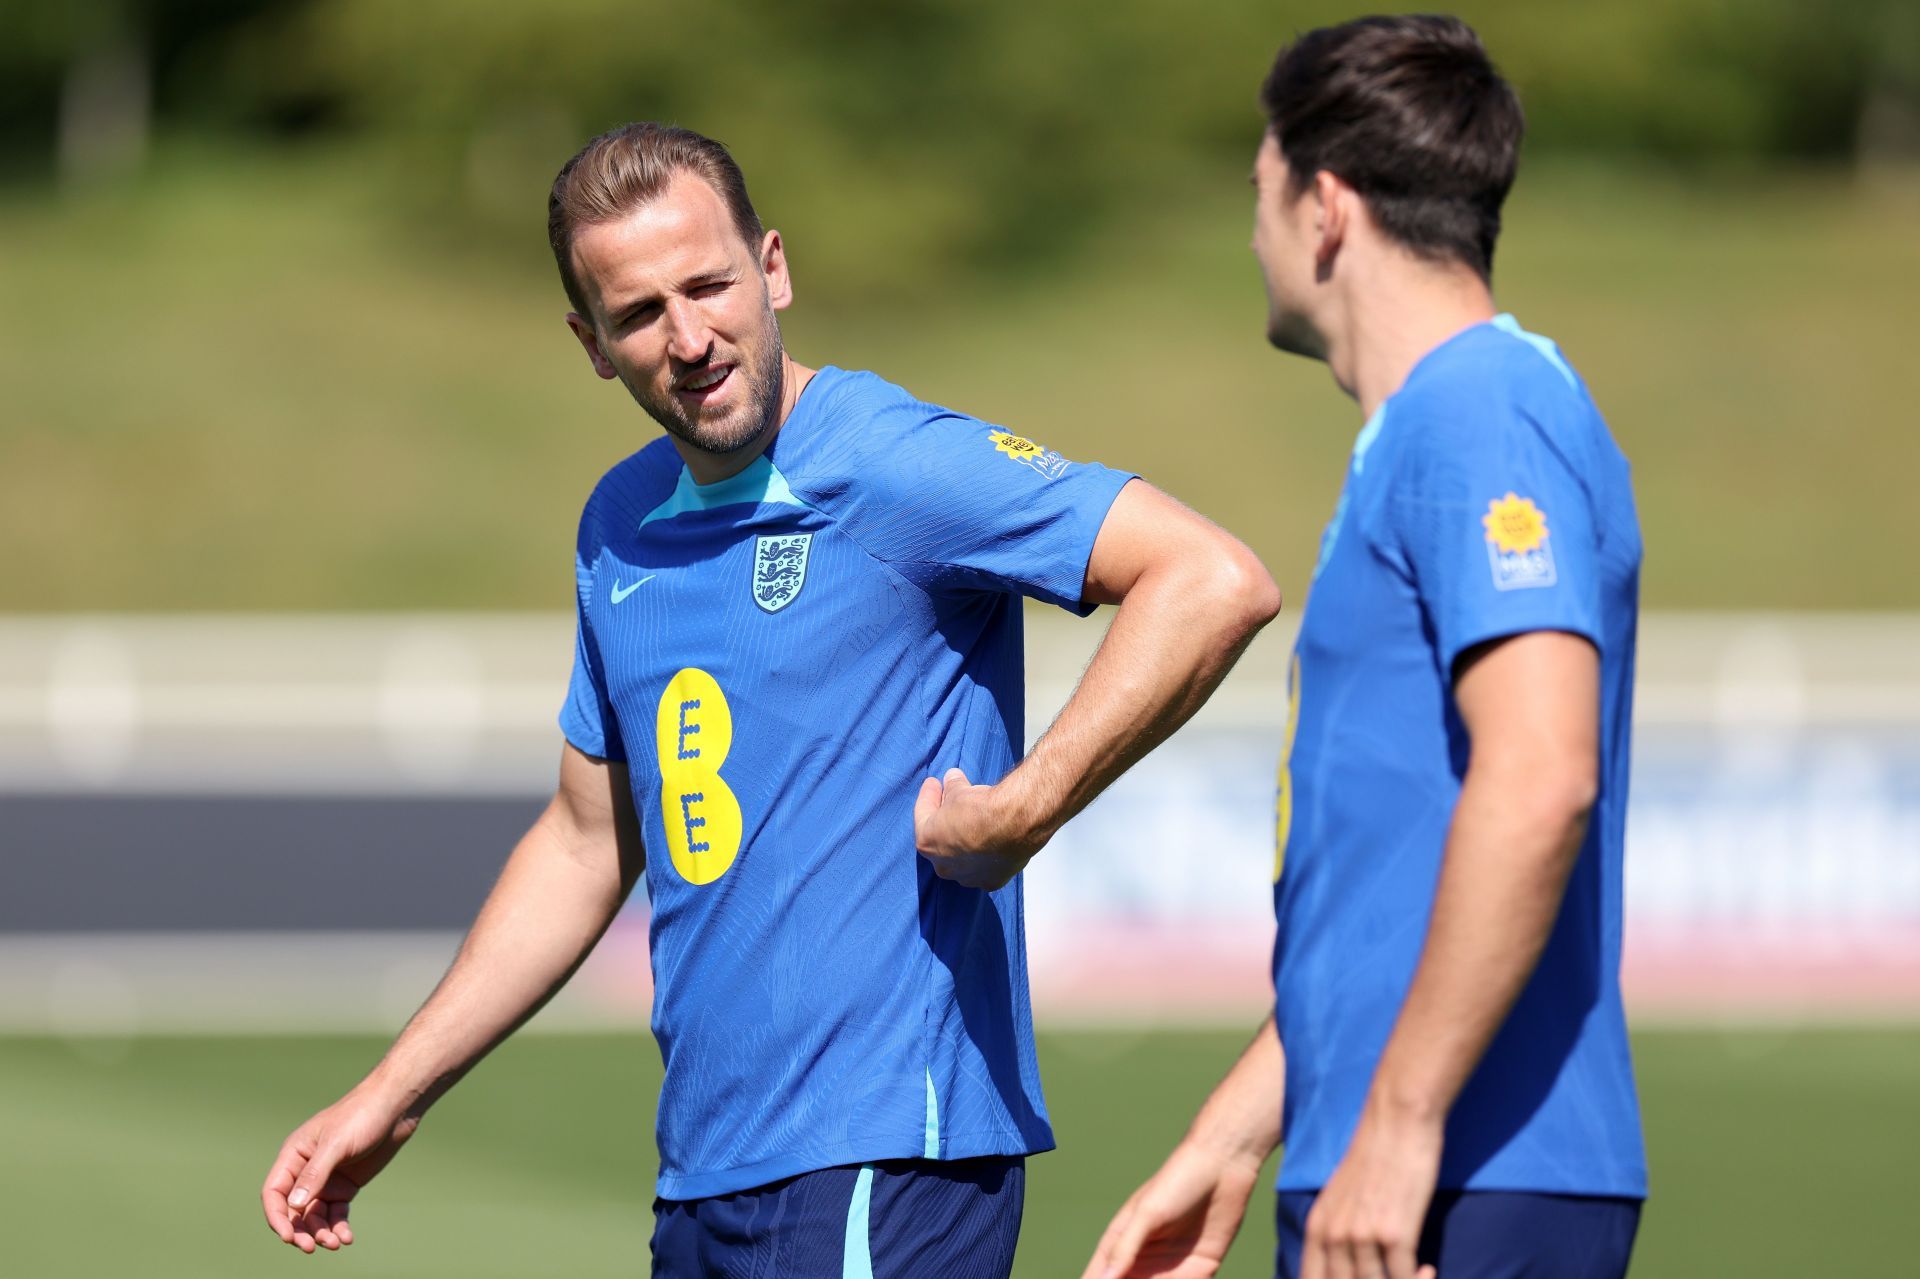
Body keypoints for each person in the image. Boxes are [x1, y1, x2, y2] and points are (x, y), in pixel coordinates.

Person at [258, 122, 1280, 1276]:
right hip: (704, 1177)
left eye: (710, 285)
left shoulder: (891, 462)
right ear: (590, 343)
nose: (690, 338)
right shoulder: (618, 527)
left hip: (884, 1161)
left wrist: (1026, 807)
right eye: (640, 313)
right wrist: (393, 1095)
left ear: (773, 267)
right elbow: (589, 842)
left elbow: (1210, 579)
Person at [1085, 16, 1646, 1279]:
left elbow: (1542, 772)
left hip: (1467, 1170)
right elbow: (1396, 885)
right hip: (1405, 1158)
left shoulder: (1483, 414)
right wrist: (1235, 1134)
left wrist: (1397, 1123)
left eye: (1259, 194)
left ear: (1325, 208)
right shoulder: (1434, 430)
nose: (1252, 234)